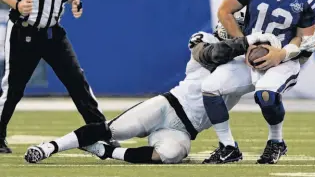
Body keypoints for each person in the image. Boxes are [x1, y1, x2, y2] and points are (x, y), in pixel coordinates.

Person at [24, 25, 282, 164]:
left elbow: (272, 77)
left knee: (170, 156)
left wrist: (290, 52)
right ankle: (49, 147)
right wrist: (247, 42)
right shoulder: (206, 40)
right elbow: (213, 54)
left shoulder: (247, 67)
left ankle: (106, 153)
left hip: (184, 129)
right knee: (114, 130)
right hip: (168, 105)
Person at [201, 0, 315, 164]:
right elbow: (225, 12)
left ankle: (276, 141)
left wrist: (280, 54)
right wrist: (244, 45)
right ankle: (228, 147)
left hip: (285, 57)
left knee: (265, 94)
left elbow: (303, 38)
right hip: (250, 53)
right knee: (209, 88)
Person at [0, 0, 106, 153]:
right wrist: (17, 4)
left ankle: (100, 130)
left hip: (53, 33)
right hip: (24, 32)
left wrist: (76, 1)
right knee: (14, 88)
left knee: (78, 82)